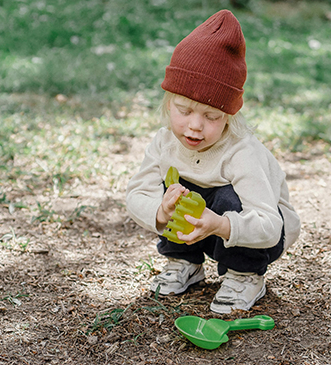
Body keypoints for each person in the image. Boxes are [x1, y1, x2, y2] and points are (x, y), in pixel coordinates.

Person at [126, 10, 300, 314]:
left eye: (211, 116)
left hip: (258, 234)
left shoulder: (241, 153)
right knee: (173, 190)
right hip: (205, 228)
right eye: (184, 110)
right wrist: (161, 210)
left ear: (229, 116)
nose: (195, 126)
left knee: (225, 196)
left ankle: (245, 276)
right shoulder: (164, 142)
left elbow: (269, 226)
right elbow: (137, 194)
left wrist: (220, 224)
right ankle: (185, 262)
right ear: (168, 103)